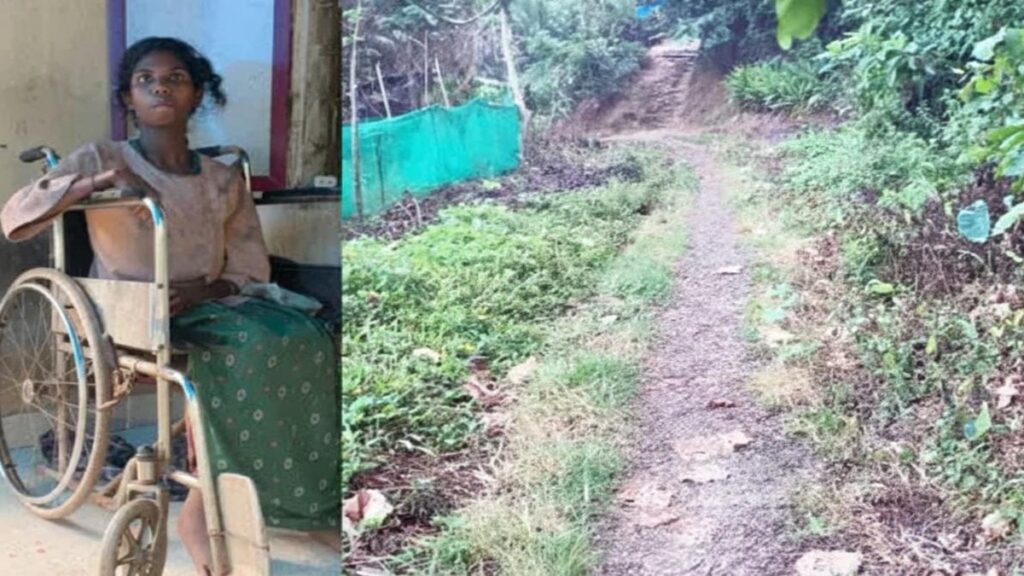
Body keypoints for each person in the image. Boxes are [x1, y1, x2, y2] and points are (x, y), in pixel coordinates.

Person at [0, 37, 339, 575]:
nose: (161, 85)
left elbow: (250, 268)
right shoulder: (104, 156)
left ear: (197, 94)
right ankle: (204, 510)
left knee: (305, 336)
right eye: (146, 79)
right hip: (130, 306)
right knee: (250, 350)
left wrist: (208, 290)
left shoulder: (224, 179)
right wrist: (102, 182)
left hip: (207, 301)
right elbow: (16, 217)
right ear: (128, 99)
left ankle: (292, 495)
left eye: (176, 77)